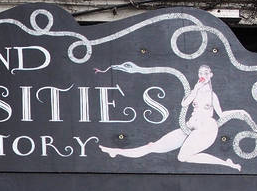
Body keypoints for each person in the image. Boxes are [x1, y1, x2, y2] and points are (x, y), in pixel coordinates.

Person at [99, 65, 240, 171]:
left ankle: (225, 164)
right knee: (153, 147)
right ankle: (117, 151)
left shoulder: (212, 95)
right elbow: (184, 103)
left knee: (182, 157)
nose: (202, 75)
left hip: (205, 128)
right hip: (189, 126)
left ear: (211, 75)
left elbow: (221, 114)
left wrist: (241, 112)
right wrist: (195, 89)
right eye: (200, 72)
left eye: (205, 73)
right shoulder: (195, 91)